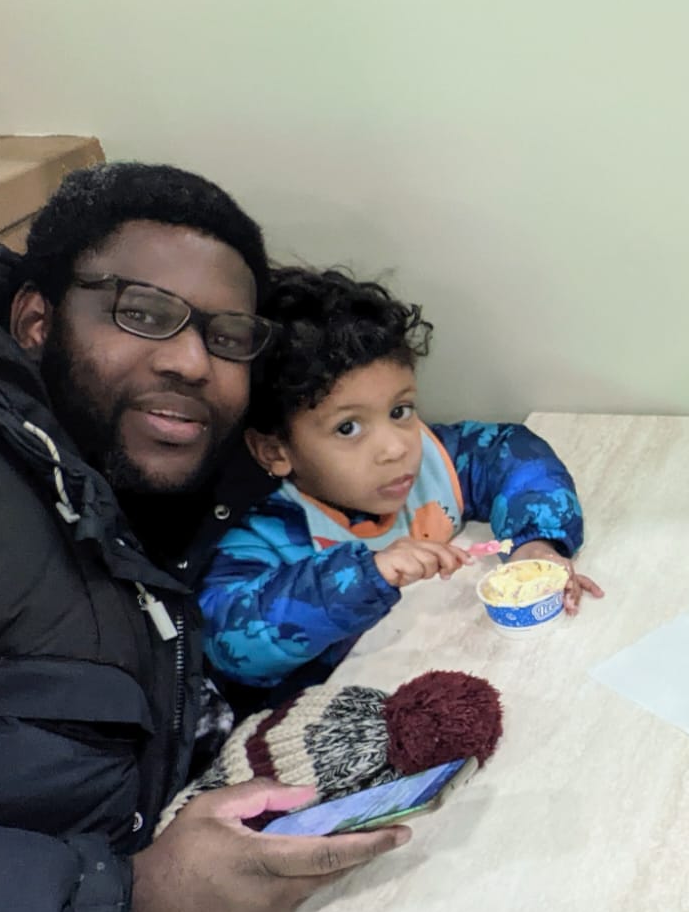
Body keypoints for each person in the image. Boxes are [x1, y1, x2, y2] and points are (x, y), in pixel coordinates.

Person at [0, 166, 409, 912]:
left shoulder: (135, 465)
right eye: (144, 312)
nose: (191, 362)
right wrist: (132, 903)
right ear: (37, 320)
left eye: (226, 337)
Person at [199, 265, 598, 703]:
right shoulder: (262, 531)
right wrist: (366, 575)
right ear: (275, 451)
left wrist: (536, 544)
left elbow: (511, 453)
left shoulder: (431, 457)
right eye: (348, 428)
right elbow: (228, 640)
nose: (395, 448)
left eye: (400, 411)